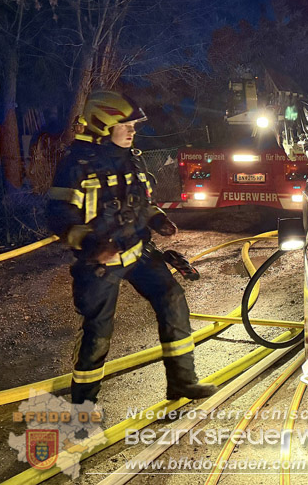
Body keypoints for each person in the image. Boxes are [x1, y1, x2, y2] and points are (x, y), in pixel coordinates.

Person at [47, 91, 217, 404]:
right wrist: (92, 245)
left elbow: (140, 202)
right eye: (124, 125)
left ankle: (182, 382)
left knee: (172, 300)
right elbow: (58, 216)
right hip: (99, 263)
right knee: (98, 334)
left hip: (139, 251)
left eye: (133, 126)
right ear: (102, 127)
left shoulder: (131, 158)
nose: (132, 131)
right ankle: (83, 406)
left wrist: (158, 219)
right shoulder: (75, 166)